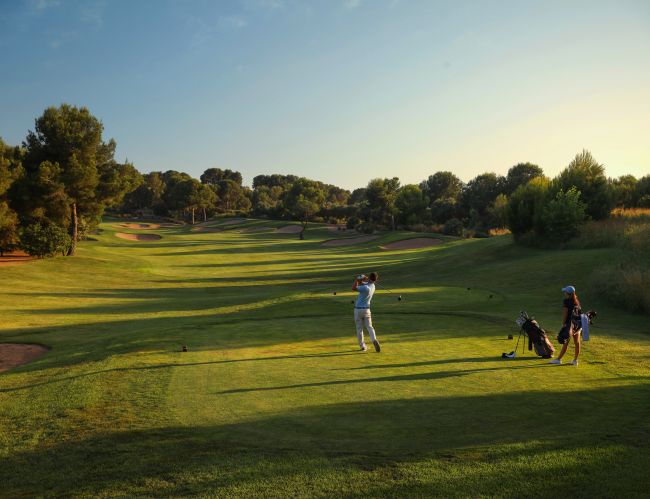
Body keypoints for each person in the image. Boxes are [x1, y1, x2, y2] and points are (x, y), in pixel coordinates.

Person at [549, 285, 582, 366]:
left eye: (565, 292)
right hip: (577, 324)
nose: (564, 293)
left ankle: (558, 359)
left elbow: (565, 314)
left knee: (565, 343)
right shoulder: (576, 301)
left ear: (568, 294)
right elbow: (579, 313)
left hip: (569, 325)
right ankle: (575, 361)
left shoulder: (566, 301)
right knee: (577, 343)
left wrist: (564, 325)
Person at [352, 272, 381, 352]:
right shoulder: (373, 286)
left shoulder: (365, 288)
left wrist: (357, 279)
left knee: (359, 329)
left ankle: (362, 346)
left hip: (358, 310)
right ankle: (374, 340)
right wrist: (363, 279)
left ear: (369, 278)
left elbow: (354, 288)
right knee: (369, 326)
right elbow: (363, 284)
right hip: (367, 310)